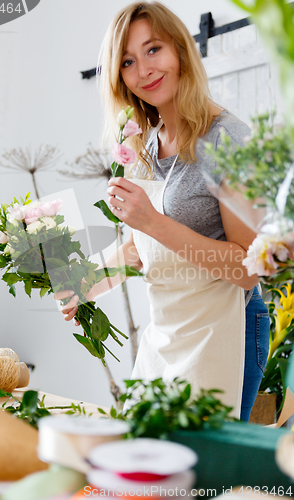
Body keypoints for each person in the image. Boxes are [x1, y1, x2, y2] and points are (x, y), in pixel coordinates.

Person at [56, 1, 269, 420]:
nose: (143, 71)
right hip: (168, 331)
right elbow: (142, 249)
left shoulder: (228, 141)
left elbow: (247, 268)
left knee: (200, 479)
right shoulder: (148, 142)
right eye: (128, 61)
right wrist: (88, 285)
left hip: (227, 329)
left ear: (179, 50)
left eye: (153, 50)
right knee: (147, 466)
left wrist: (152, 221)